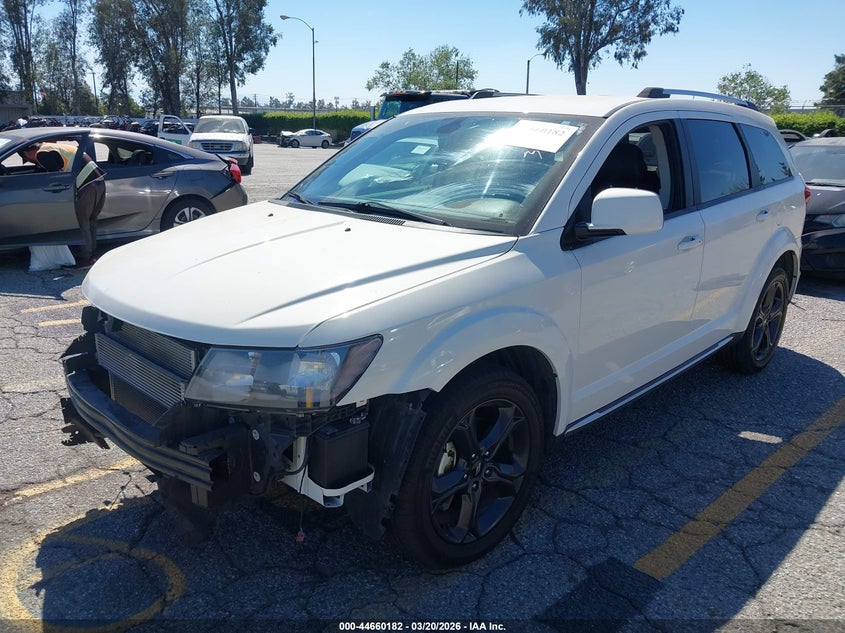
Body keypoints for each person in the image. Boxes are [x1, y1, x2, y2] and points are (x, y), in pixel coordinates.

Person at [19, 141, 106, 267]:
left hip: (87, 184)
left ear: (27, 152)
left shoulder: (41, 154)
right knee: (90, 220)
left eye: (27, 159)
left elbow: (56, 178)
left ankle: (85, 258)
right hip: (98, 181)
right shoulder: (49, 147)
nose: (32, 161)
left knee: (81, 221)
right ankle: (90, 254)